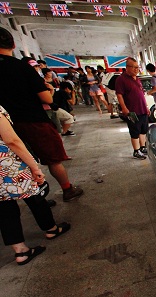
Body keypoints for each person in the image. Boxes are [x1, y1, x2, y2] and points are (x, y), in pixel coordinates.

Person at [0, 27, 83, 202]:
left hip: (6, 124)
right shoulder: (22, 68)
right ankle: (67, 189)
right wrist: (50, 90)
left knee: (21, 163)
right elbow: (46, 98)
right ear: (13, 45)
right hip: (34, 121)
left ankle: (37, 199)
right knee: (54, 159)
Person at [0, 105, 71, 265]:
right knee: (34, 195)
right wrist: (34, 166)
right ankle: (51, 228)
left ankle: (20, 251)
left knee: (4, 207)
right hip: (8, 164)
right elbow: (11, 140)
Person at [115, 57, 149, 159]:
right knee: (135, 130)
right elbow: (119, 95)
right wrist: (124, 108)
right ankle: (136, 150)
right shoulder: (121, 79)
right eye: (134, 67)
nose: (136, 69)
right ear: (127, 67)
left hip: (142, 109)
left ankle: (142, 147)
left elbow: (141, 94)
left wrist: (146, 107)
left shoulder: (137, 79)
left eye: (137, 67)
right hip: (133, 110)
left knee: (143, 129)